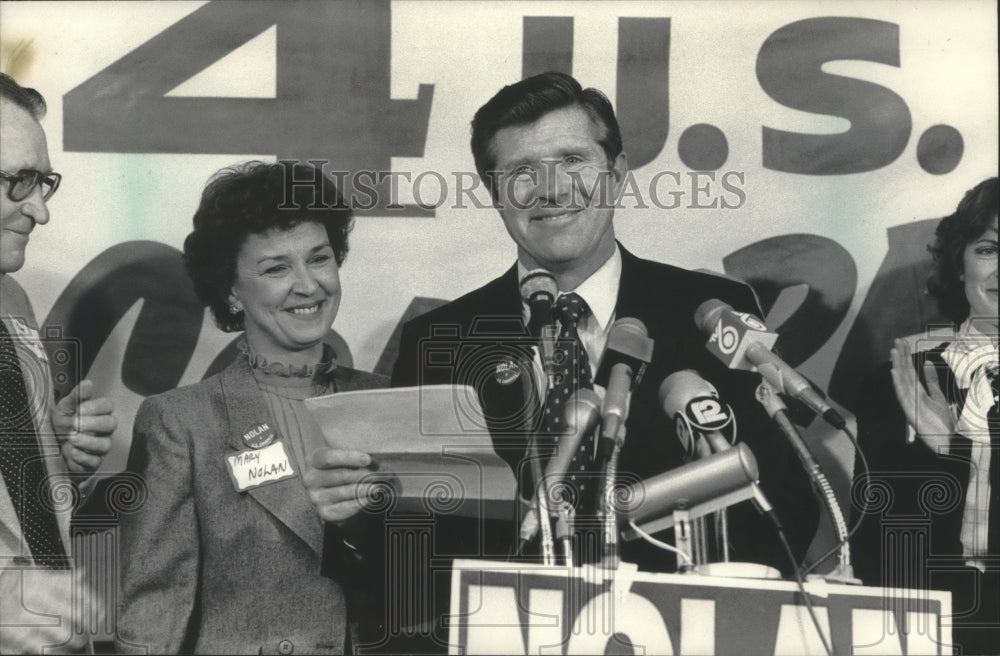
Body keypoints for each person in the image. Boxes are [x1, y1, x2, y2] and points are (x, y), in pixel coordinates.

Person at [312, 72, 818, 648]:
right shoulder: (442, 339)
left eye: (573, 160)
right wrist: (356, 517)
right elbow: (406, 569)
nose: (550, 189)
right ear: (493, 192)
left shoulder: (708, 312)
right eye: (522, 172)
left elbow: (791, 505)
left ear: (618, 174)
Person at [116, 161, 387, 654]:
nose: (308, 285)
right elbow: (154, 611)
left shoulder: (390, 403)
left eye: (319, 258)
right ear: (231, 292)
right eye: (276, 267)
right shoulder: (180, 423)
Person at [852, 177, 998, 655]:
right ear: (960, 264)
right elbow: (877, 549)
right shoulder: (899, 379)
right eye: (988, 249)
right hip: (924, 636)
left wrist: (959, 450)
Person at [1, 73, 117, 653]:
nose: (40, 212)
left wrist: (56, 445)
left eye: (43, 182)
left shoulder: (12, 301)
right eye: (17, 182)